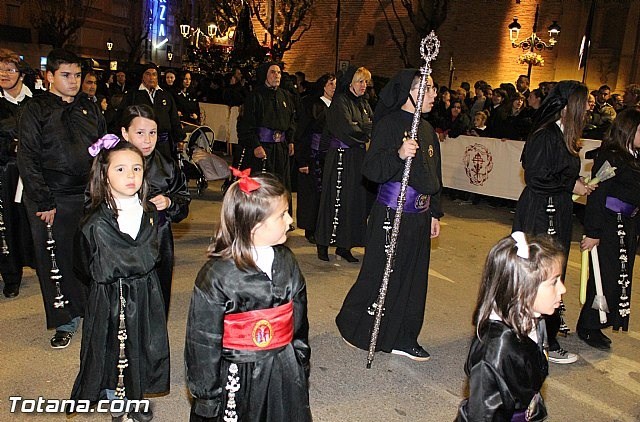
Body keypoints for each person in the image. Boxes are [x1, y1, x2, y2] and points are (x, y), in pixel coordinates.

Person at [185, 172, 311, 422]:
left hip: (282, 366)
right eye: (282, 215)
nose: (290, 221)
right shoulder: (217, 276)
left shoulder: (287, 262)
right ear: (254, 226)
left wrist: (299, 359)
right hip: (237, 372)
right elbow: (202, 341)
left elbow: (299, 319)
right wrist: (207, 396)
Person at [335, 69, 442, 360]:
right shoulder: (389, 125)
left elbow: (435, 175)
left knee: (413, 279)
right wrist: (398, 154)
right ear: (410, 91)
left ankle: (404, 336)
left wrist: (434, 212)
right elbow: (371, 170)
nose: (435, 94)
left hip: (419, 216)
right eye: (428, 88)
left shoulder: (429, 129)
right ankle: (354, 326)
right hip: (391, 214)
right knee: (379, 275)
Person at [70, 139, 169, 422]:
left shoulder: (150, 213)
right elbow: (82, 263)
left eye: (137, 168)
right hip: (111, 294)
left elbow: (156, 251)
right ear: (104, 174)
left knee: (141, 345)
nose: (131, 176)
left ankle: (134, 398)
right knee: (111, 346)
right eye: (121, 169)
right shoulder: (94, 221)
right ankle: (115, 397)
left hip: (145, 291)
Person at [18, 48, 106, 348]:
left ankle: (89, 309)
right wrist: (43, 201)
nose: (73, 81)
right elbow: (27, 157)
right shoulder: (36, 108)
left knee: (87, 256)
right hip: (51, 198)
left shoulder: (90, 107)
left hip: (87, 195)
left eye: (78, 75)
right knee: (55, 260)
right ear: (50, 76)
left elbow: (103, 149)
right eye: (66, 75)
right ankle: (65, 319)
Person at [512, 80, 593, 364]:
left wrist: (576, 182)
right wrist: (572, 184)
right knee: (537, 272)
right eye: (584, 103)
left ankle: (543, 334)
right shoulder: (545, 134)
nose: (588, 109)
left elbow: (556, 171)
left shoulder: (563, 134)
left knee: (551, 272)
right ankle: (537, 339)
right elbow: (536, 176)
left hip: (556, 209)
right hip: (540, 210)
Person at [455, 232, 566, 421]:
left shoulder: (535, 319)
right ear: (522, 289)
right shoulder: (495, 351)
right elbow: (483, 414)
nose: (562, 289)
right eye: (553, 282)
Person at [577, 108, 640, 349]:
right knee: (605, 278)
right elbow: (598, 193)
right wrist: (593, 232)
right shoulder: (610, 157)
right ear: (629, 129)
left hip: (628, 225)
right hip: (609, 225)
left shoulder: (634, 156)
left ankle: (601, 321)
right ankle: (589, 325)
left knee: (619, 279)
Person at [120, 105, 190, 319]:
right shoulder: (110, 164)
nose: (147, 140)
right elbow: (91, 201)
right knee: (124, 297)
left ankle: (155, 346)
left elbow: (183, 200)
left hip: (159, 241)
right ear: (125, 133)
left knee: (158, 295)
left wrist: (169, 202)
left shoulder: (167, 166)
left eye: (152, 133)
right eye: (140, 133)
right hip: (121, 241)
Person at [315, 66, 373, 263]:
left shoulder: (363, 103)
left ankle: (345, 245)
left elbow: (370, 124)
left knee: (353, 201)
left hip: (357, 158)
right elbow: (348, 129)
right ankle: (323, 243)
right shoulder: (340, 102)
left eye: (365, 82)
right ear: (350, 83)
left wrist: (362, 128)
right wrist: (363, 129)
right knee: (334, 199)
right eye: (360, 81)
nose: (364, 85)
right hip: (340, 157)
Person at [0, 48, 35, 298]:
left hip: (33, 171)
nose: (4, 74)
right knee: (7, 225)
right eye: (0, 69)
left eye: (10, 69)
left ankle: (40, 266)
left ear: (21, 74)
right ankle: (11, 275)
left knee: (33, 222)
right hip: (6, 171)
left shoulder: (36, 101)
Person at [237, 62, 296, 191]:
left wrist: (290, 140)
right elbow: (246, 124)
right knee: (261, 187)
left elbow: (291, 120)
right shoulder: (255, 96)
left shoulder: (285, 96)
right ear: (265, 75)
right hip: (262, 148)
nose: (277, 76)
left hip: (280, 149)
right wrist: (255, 145)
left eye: (279, 72)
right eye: (273, 72)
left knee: (280, 186)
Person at [294, 73, 336, 244]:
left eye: (335, 84)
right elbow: (303, 133)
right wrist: (302, 160)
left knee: (328, 194)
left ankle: (324, 228)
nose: (334, 87)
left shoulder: (337, 106)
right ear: (323, 86)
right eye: (331, 84)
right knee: (312, 195)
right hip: (314, 156)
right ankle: (311, 228)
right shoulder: (313, 105)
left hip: (331, 156)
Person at [119, 63, 184, 161]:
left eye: (154, 74)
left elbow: (174, 118)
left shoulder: (165, 95)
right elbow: (122, 117)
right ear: (142, 76)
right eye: (148, 74)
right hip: (140, 142)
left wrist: (179, 138)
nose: (151, 77)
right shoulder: (133, 95)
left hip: (163, 144)